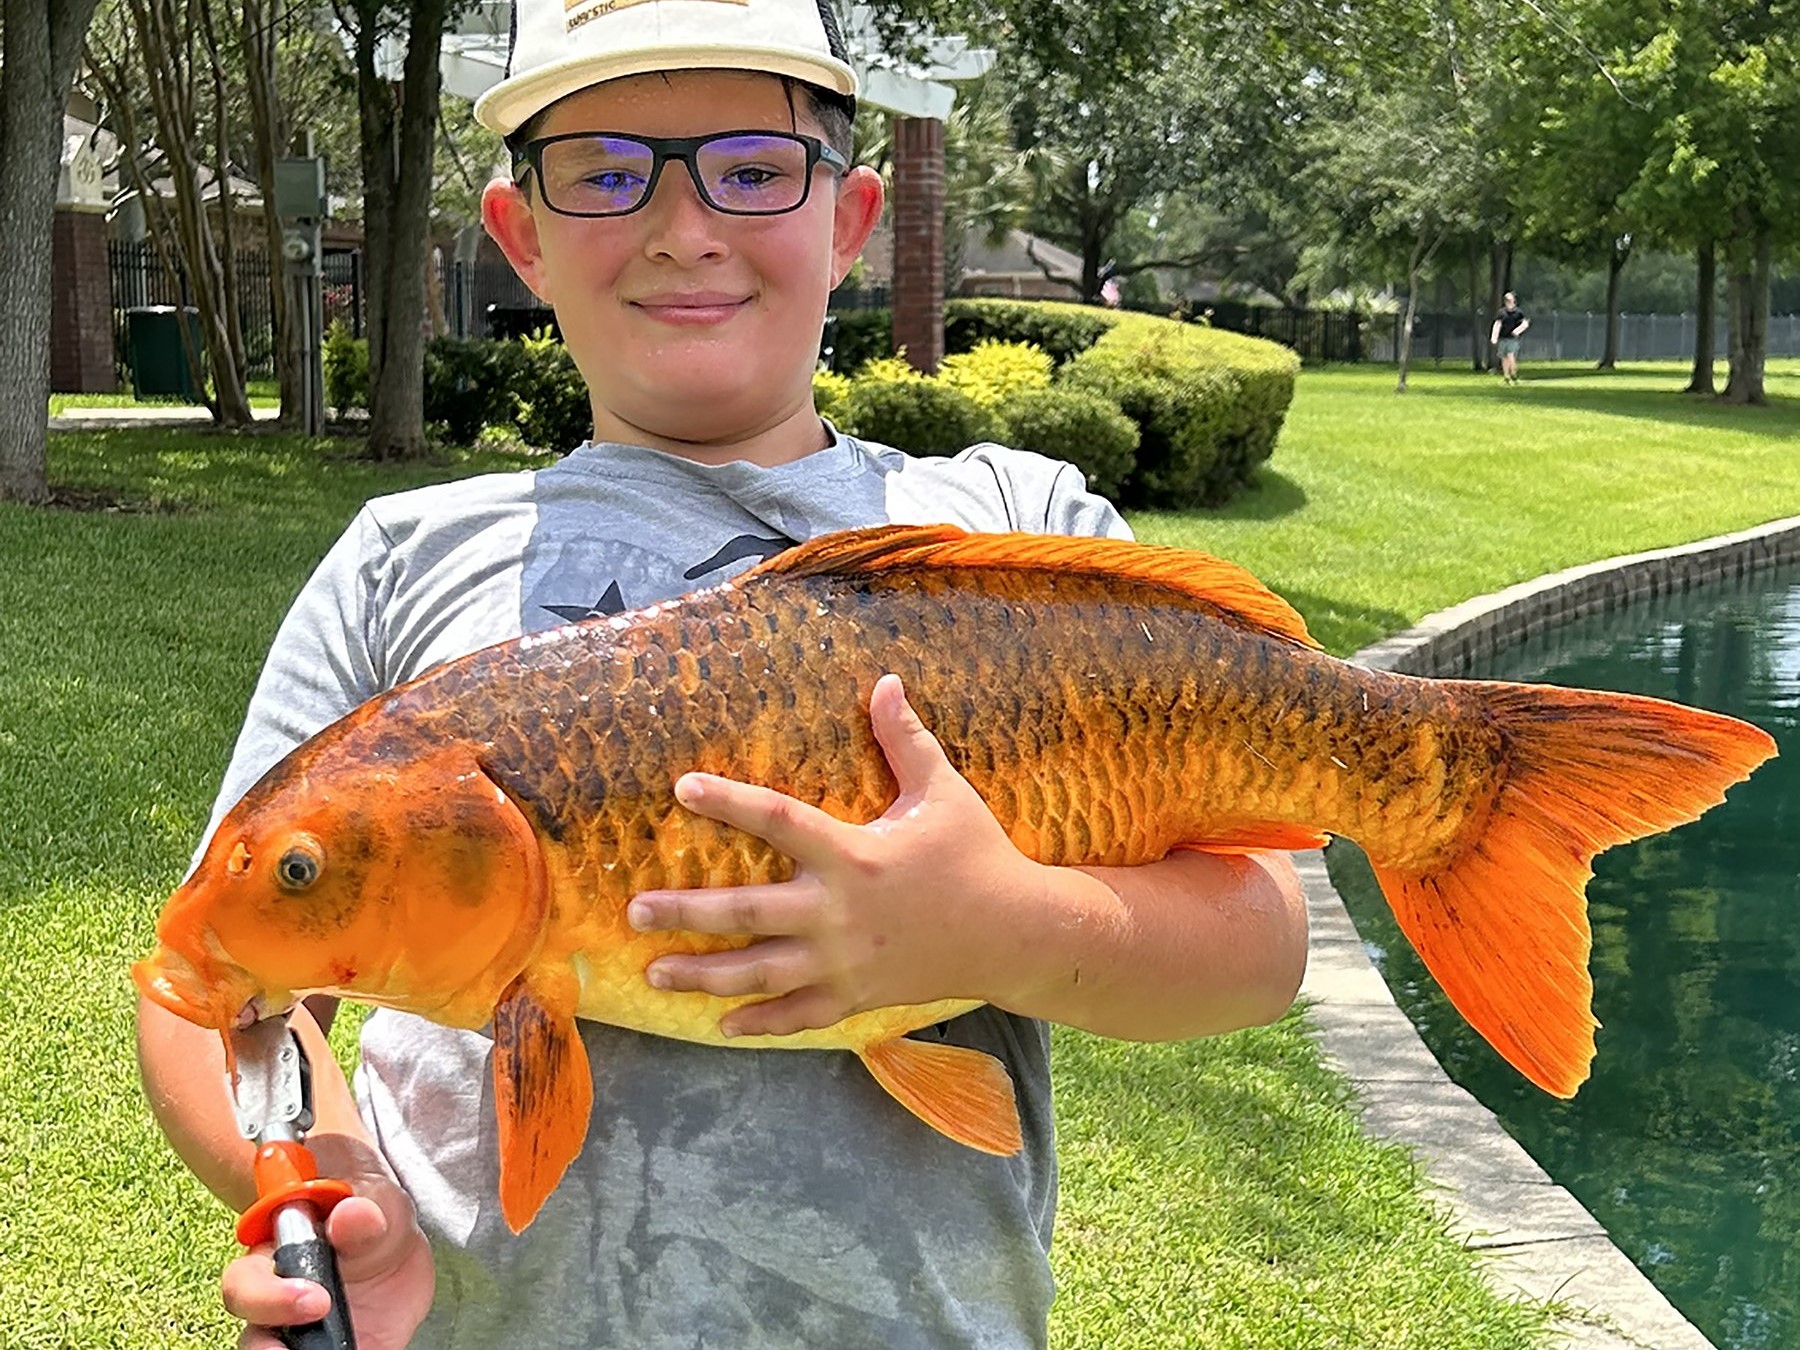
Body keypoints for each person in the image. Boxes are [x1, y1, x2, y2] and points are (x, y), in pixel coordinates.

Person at [135, 2, 1309, 1346]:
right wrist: (331, 1193)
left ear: (851, 217)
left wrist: (999, 928)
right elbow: (212, 988)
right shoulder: (403, 556)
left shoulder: (1012, 531)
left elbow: (1259, 943)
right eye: (604, 171)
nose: (684, 227)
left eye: (754, 169)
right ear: (521, 236)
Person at [1491, 291, 1530, 383]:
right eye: (1506, 299)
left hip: (1513, 339)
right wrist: (1494, 337)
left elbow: (1525, 323)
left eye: (1509, 299)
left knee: (1510, 355)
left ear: (1514, 300)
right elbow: (1497, 324)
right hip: (1503, 338)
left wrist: (1517, 331)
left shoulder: (1518, 312)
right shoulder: (1501, 312)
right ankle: (1506, 376)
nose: (1508, 300)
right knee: (1504, 357)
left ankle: (1513, 373)